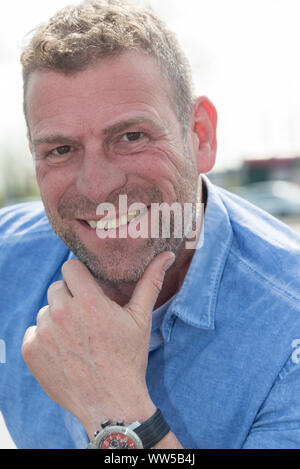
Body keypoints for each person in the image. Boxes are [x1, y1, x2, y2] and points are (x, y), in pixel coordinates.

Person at [0, 0, 300, 450]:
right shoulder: (9, 259)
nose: (98, 187)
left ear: (200, 136)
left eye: (132, 137)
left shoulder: (287, 330)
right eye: (61, 149)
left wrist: (113, 408)